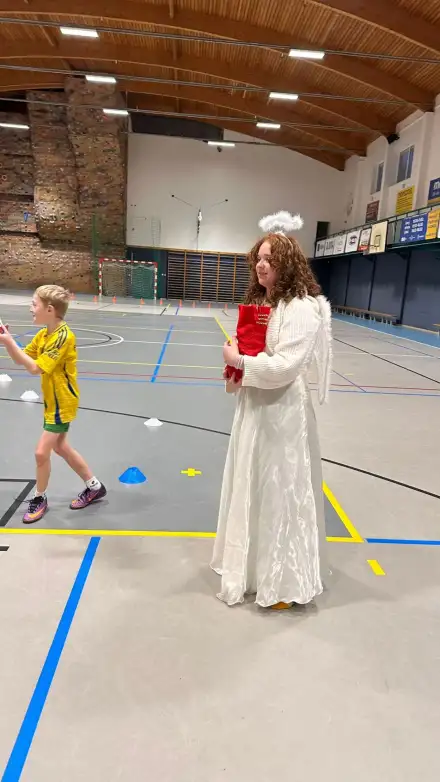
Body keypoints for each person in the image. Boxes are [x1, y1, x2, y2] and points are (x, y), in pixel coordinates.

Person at [211, 212, 332, 609]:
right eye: (259, 258)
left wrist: (241, 362)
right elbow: (256, 352)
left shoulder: (301, 308)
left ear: (288, 263)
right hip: (256, 406)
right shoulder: (263, 303)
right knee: (253, 484)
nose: (261, 265)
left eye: (270, 259)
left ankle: (283, 582)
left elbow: (285, 367)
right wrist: (236, 366)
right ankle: (253, 570)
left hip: (282, 414)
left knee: (280, 491)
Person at [0, 285, 106, 523]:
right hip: (52, 401)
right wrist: (7, 341)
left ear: (50, 309)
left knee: (41, 453)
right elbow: (22, 360)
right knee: (60, 447)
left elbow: (35, 368)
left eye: (34, 304)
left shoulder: (63, 337)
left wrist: (8, 342)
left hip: (62, 402)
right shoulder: (43, 335)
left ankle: (39, 497)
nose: (30, 308)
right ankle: (95, 486)